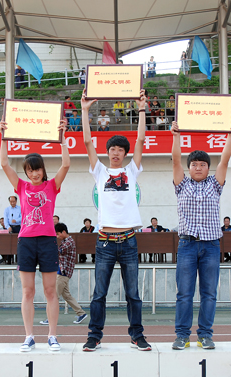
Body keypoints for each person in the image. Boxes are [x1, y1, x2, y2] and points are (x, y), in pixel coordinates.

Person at [80, 88, 151, 352]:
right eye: (112, 149)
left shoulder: (132, 170)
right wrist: (85, 110)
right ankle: (94, 335)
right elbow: (88, 143)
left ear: (125, 153)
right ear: (108, 152)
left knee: (133, 294)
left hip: (129, 241)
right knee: (99, 294)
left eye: (121, 150)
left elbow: (141, 140)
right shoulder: (99, 171)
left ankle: (137, 335)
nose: (116, 153)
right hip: (105, 243)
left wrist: (141, 108)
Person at [0, 117, 70, 353]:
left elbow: (66, 165)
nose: (34, 173)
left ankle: (52, 335)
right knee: (28, 291)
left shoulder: (51, 186)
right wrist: (3, 136)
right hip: (26, 242)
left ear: (42, 170)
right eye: (30, 170)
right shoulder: (21, 186)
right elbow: (4, 164)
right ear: (26, 172)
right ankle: (29, 336)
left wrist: (62, 137)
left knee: (50, 291)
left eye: (37, 169)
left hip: (48, 242)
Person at [170, 118, 231, 351]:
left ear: (208, 168)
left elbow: (225, 159)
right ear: (189, 168)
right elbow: (175, 159)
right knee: (184, 294)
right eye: (194, 164)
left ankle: (205, 335)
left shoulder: (215, 184)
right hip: (187, 246)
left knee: (209, 294)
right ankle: (182, 336)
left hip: (210, 246)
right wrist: (176, 135)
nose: (198, 168)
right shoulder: (181, 184)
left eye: (202, 164)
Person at [40, 223, 88, 325]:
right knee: (67, 296)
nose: (57, 236)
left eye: (58, 234)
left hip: (63, 273)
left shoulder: (69, 242)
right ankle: (81, 313)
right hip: (64, 273)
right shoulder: (66, 241)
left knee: (53, 296)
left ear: (64, 232)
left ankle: (50, 318)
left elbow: (57, 251)